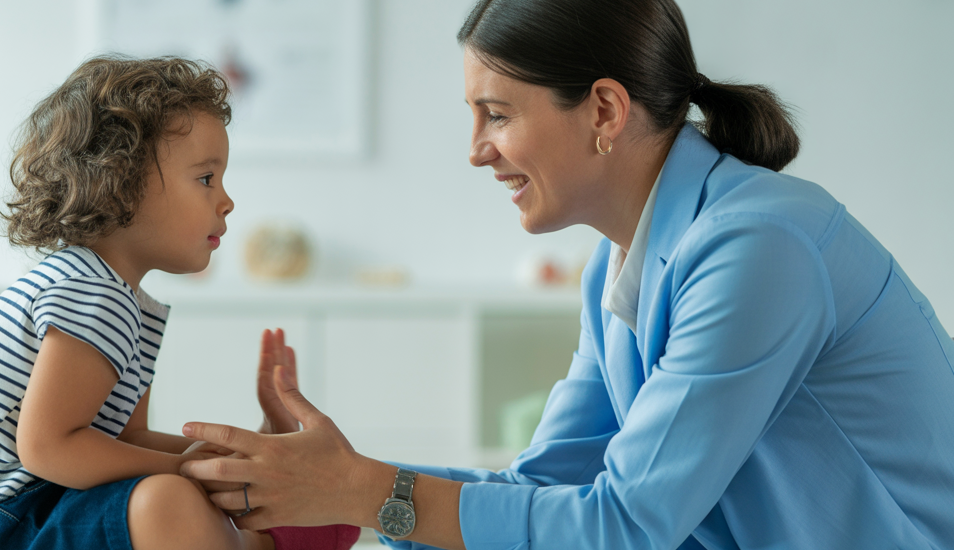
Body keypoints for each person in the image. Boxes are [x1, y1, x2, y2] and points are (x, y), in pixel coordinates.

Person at [178, 0, 954, 548]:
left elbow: (623, 527)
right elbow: (542, 494)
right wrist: (338, 479)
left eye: (498, 114)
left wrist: (361, 491)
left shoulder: (757, 246)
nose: (476, 148)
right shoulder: (615, 268)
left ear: (605, 111)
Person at [0, 56, 360, 550]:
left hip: (21, 504)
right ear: (121, 182)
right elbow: (47, 447)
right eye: (207, 179)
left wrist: (243, 451)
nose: (227, 201)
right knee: (166, 499)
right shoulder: (94, 295)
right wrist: (182, 467)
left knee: (169, 492)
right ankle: (266, 544)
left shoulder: (122, 300)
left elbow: (123, 443)